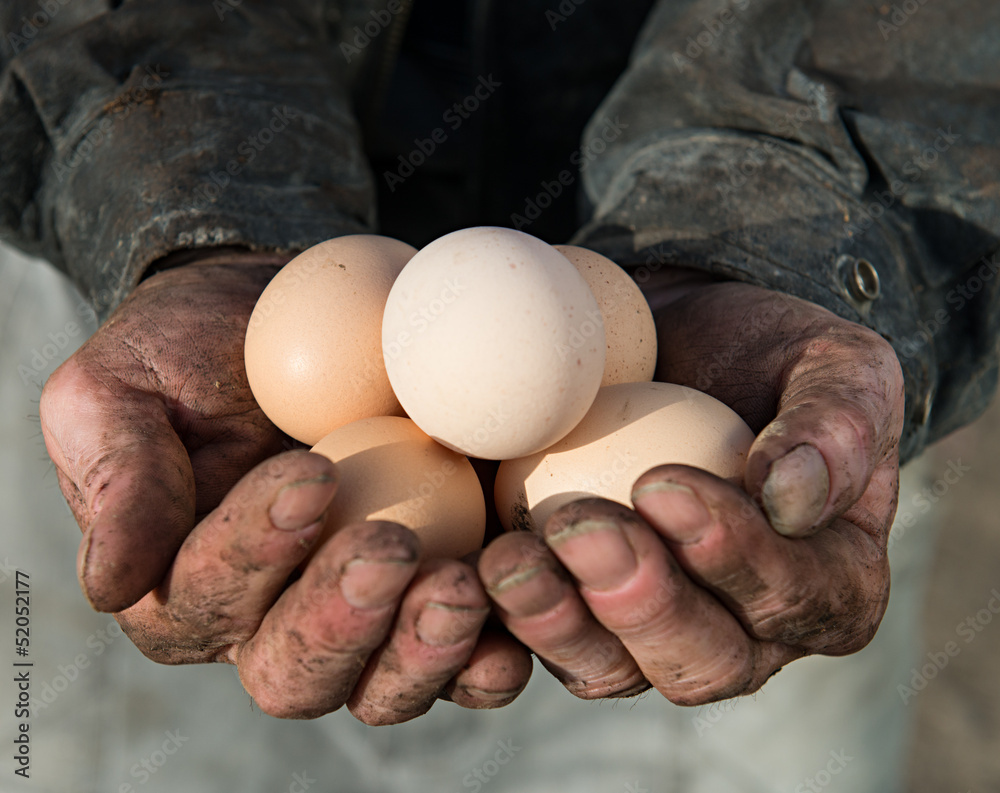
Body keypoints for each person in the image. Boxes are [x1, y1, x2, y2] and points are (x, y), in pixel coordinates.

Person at [1, 0, 997, 790]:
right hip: (137, 303)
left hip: (758, 316)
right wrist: (169, 191)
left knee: (761, 571)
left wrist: (797, 227)